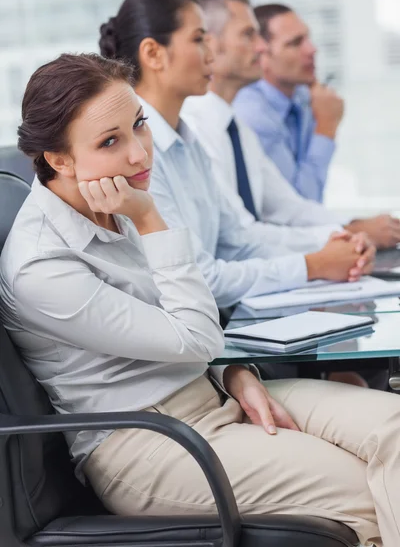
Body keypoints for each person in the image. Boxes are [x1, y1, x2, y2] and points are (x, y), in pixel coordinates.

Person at [1, 52, 400, 547]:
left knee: (394, 428)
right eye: (110, 141)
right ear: (59, 159)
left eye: (138, 126)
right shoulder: (42, 266)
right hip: (149, 446)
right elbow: (195, 334)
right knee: (370, 490)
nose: (140, 154)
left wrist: (234, 373)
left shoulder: (115, 198)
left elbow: (187, 328)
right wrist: (150, 221)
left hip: (213, 391)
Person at [99, 0, 374, 313]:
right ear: (154, 54)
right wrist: (313, 264)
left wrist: (337, 242)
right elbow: (202, 277)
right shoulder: (137, 156)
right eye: (199, 39)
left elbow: (240, 240)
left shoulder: (187, 141)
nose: (210, 55)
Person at [233, 3, 400, 248]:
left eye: (308, 38)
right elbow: (295, 206)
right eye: (295, 43)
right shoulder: (251, 114)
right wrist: (326, 128)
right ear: (263, 56)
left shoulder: (303, 97)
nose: (312, 50)